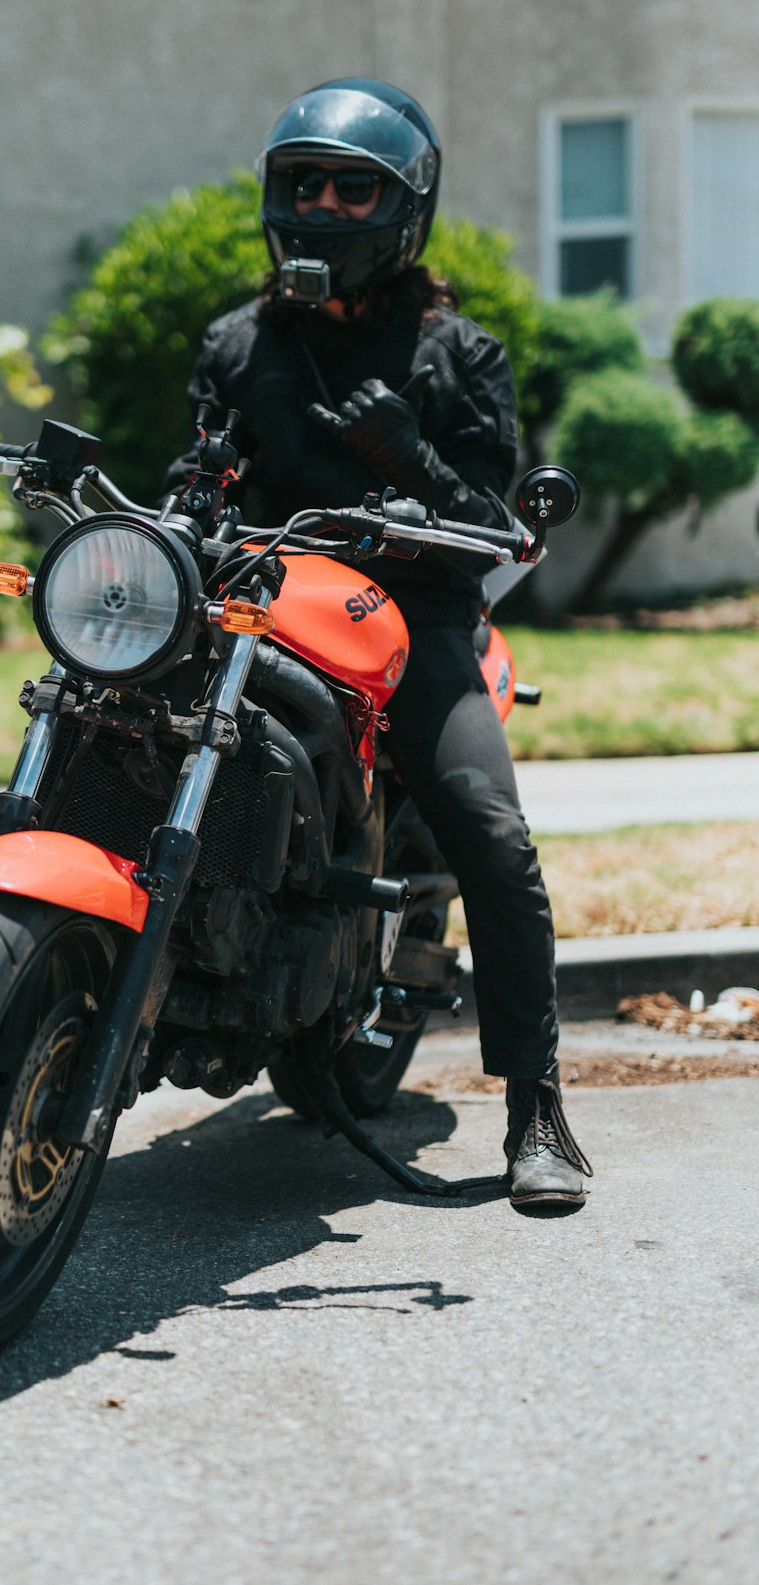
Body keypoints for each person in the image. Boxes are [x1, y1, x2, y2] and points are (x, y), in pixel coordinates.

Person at [163, 77, 591, 1209]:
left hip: (414, 621)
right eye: (305, 183)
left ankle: (537, 1108)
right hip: (262, 601)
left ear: (405, 211)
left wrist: (407, 454)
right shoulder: (238, 343)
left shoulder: (461, 355)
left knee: (493, 836)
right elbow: (192, 480)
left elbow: (487, 528)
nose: (323, 204)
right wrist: (184, 503)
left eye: (355, 189)